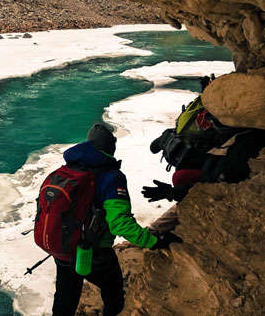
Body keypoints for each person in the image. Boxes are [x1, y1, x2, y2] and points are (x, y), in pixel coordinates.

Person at [52, 123, 180, 316]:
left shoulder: (69, 169)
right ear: (110, 147)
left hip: (63, 246)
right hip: (95, 250)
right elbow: (120, 223)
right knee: (113, 294)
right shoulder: (110, 177)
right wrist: (153, 241)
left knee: (65, 300)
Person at [143, 76, 265, 232]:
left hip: (210, 175)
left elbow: (215, 185)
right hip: (206, 167)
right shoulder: (242, 135)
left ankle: (157, 230)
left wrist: (175, 192)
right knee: (182, 179)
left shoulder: (242, 146)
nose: (210, 123)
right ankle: (157, 229)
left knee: (182, 180)